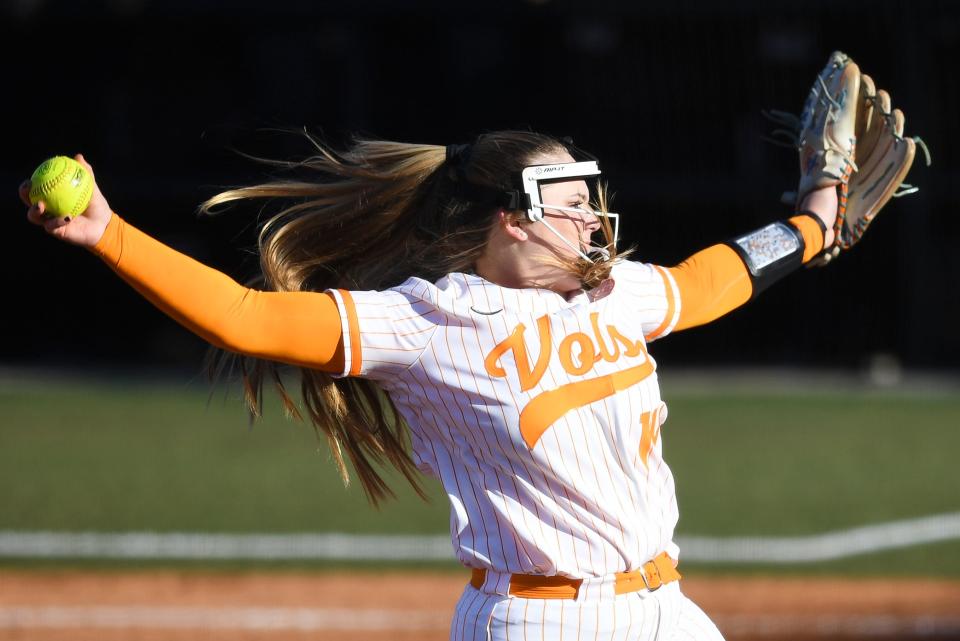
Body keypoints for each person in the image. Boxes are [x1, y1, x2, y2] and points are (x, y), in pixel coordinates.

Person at [22, 131, 838, 640]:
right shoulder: (427, 323)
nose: (593, 218)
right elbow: (245, 317)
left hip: (668, 608)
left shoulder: (613, 294)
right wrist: (109, 234)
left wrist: (813, 220)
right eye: (572, 202)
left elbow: (713, 278)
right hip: (542, 620)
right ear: (512, 218)